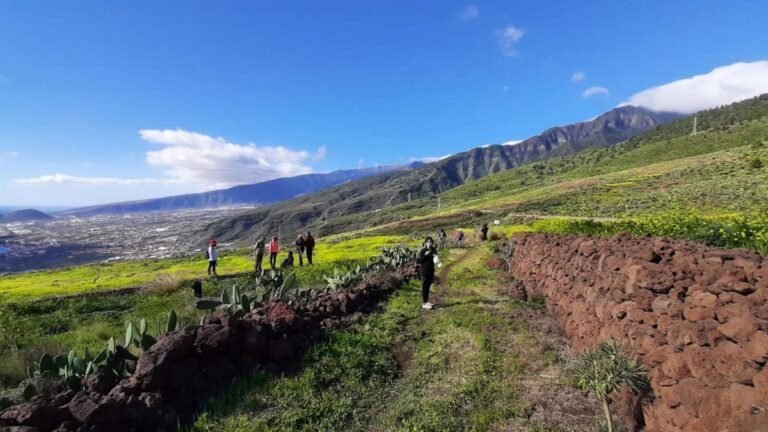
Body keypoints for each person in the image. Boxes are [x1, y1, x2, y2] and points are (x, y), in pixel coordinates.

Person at [417, 236, 438, 310]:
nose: (429, 243)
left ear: (432, 243)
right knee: (424, 287)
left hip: (431, 271)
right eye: (428, 242)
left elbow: (435, 258)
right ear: (425, 243)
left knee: (428, 287)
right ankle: (424, 303)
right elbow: (418, 261)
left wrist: (437, 260)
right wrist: (425, 255)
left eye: (431, 242)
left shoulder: (433, 250)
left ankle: (427, 301)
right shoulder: (423, 251)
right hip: (424, 272)